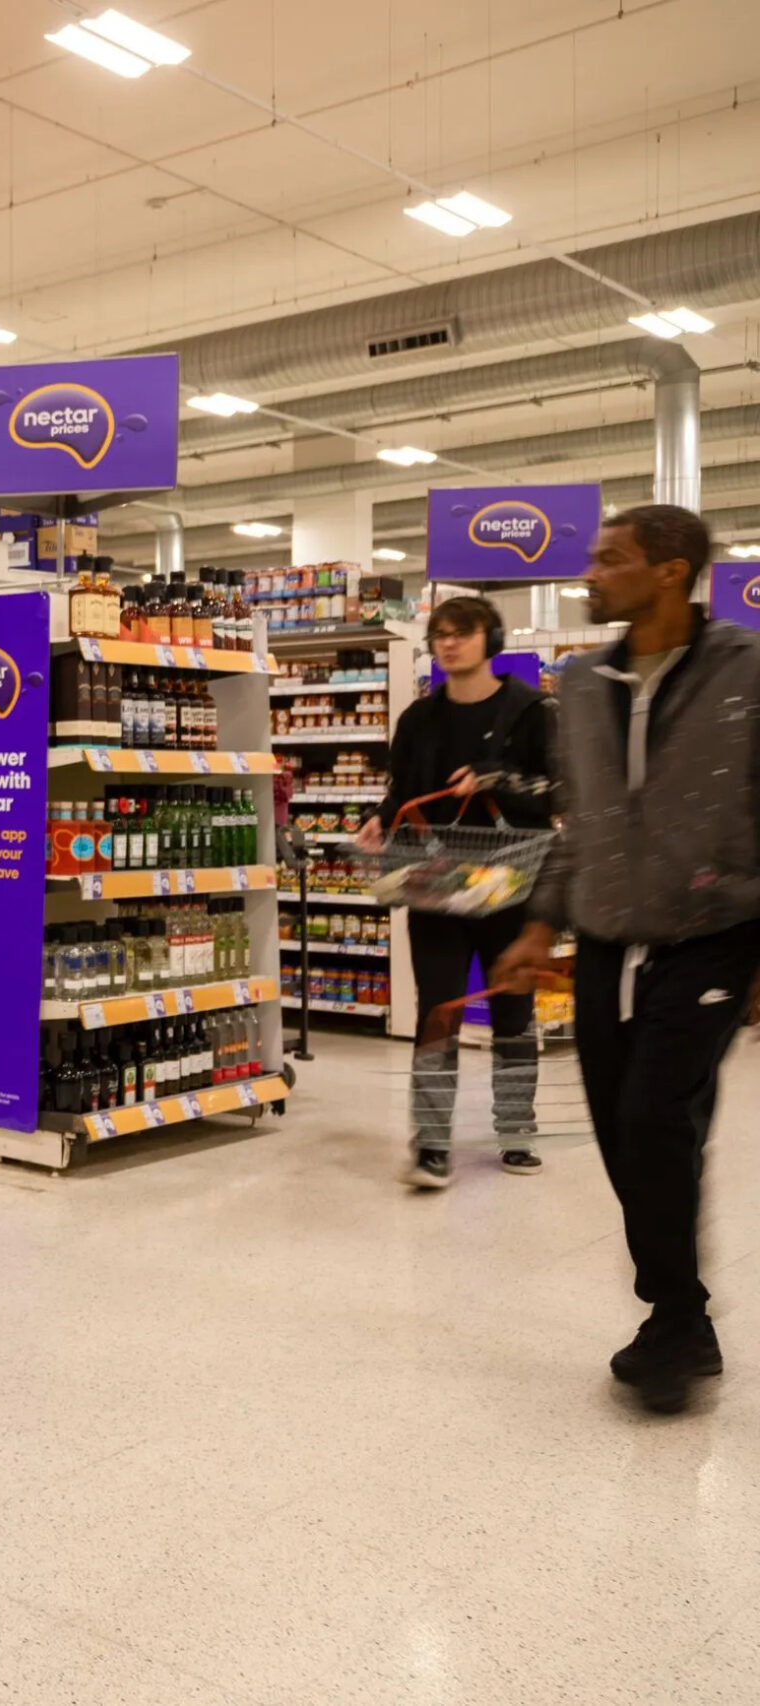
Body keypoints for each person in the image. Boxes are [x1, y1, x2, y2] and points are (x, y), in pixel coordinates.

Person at [496, 504, 760, 1415]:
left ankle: (675, 1318)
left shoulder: (748, 670)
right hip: (606, 936)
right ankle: (681, 1312)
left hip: (715, 932)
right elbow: (581, 818)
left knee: (656, 1114)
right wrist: (541, 923)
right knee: (622, 1125)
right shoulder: (580, 680)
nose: (590, 573)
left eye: (611, 559)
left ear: (670, 571)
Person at [354, 596, 557, 1187]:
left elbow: (558, 789)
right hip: (435, 884)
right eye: (439, 633)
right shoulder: (419, 718)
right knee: (437, 1011)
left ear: (489, 639)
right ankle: (432, 1142)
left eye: (462, 632)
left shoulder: (533, 710)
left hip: (512, 883)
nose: (449, 643)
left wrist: (496, 778)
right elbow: (401, 790)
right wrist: (379, 818)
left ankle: (516, 1130)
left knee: (513, 1010)